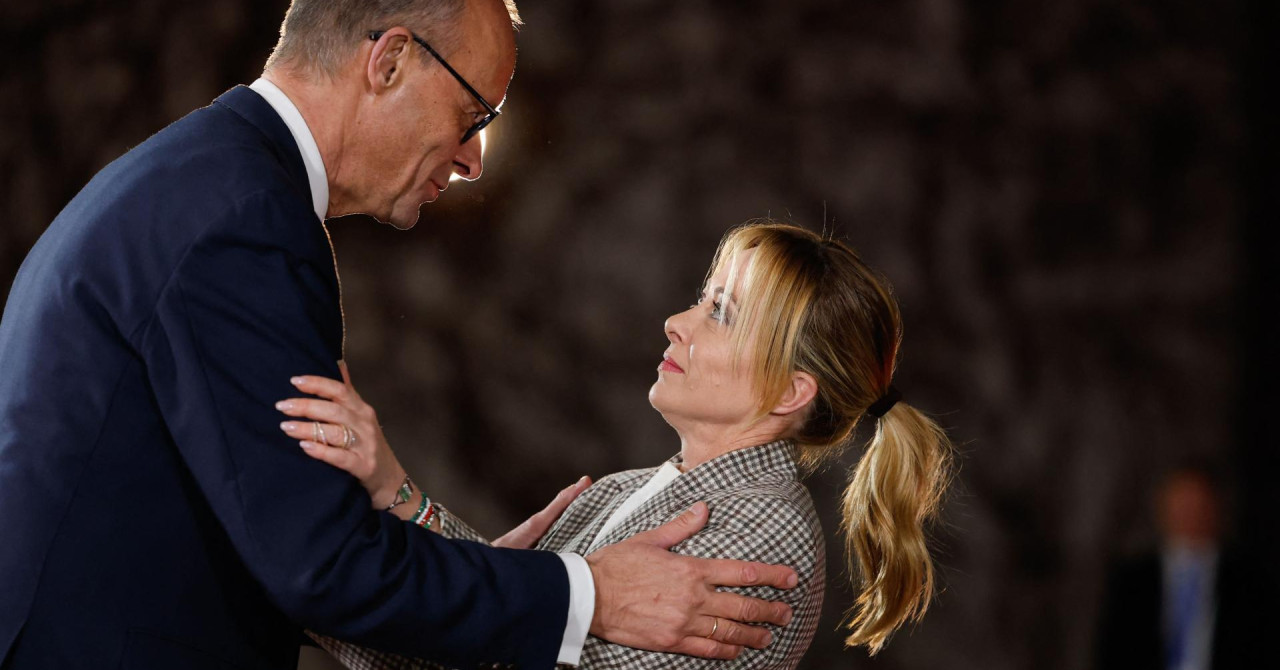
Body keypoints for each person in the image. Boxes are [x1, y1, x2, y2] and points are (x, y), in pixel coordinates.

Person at [0, 1, 798, 668]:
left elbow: (276, 544)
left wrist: (477, 572)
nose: (474, 158)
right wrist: (588, 594)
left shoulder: (199, 180)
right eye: (473, 115)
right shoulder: (244, 223)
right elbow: (322, 566)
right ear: (389, 62)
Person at [278, 221, 955, 668]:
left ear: (789, 392)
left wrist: (318, 573)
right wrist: (392, 490)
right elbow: (496, 616)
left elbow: (491, 640)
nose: (676, 322)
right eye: (703, 298)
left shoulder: (765, 529)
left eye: (721, 313)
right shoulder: (622, 490)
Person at [1094, 465, 1270, 670]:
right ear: (1162, 507)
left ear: (1217, 507)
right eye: (1182, 503)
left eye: (1199, 503)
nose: (1190, 513)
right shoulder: (1132, 578)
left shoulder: (1248, 579)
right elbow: (1113, 650)